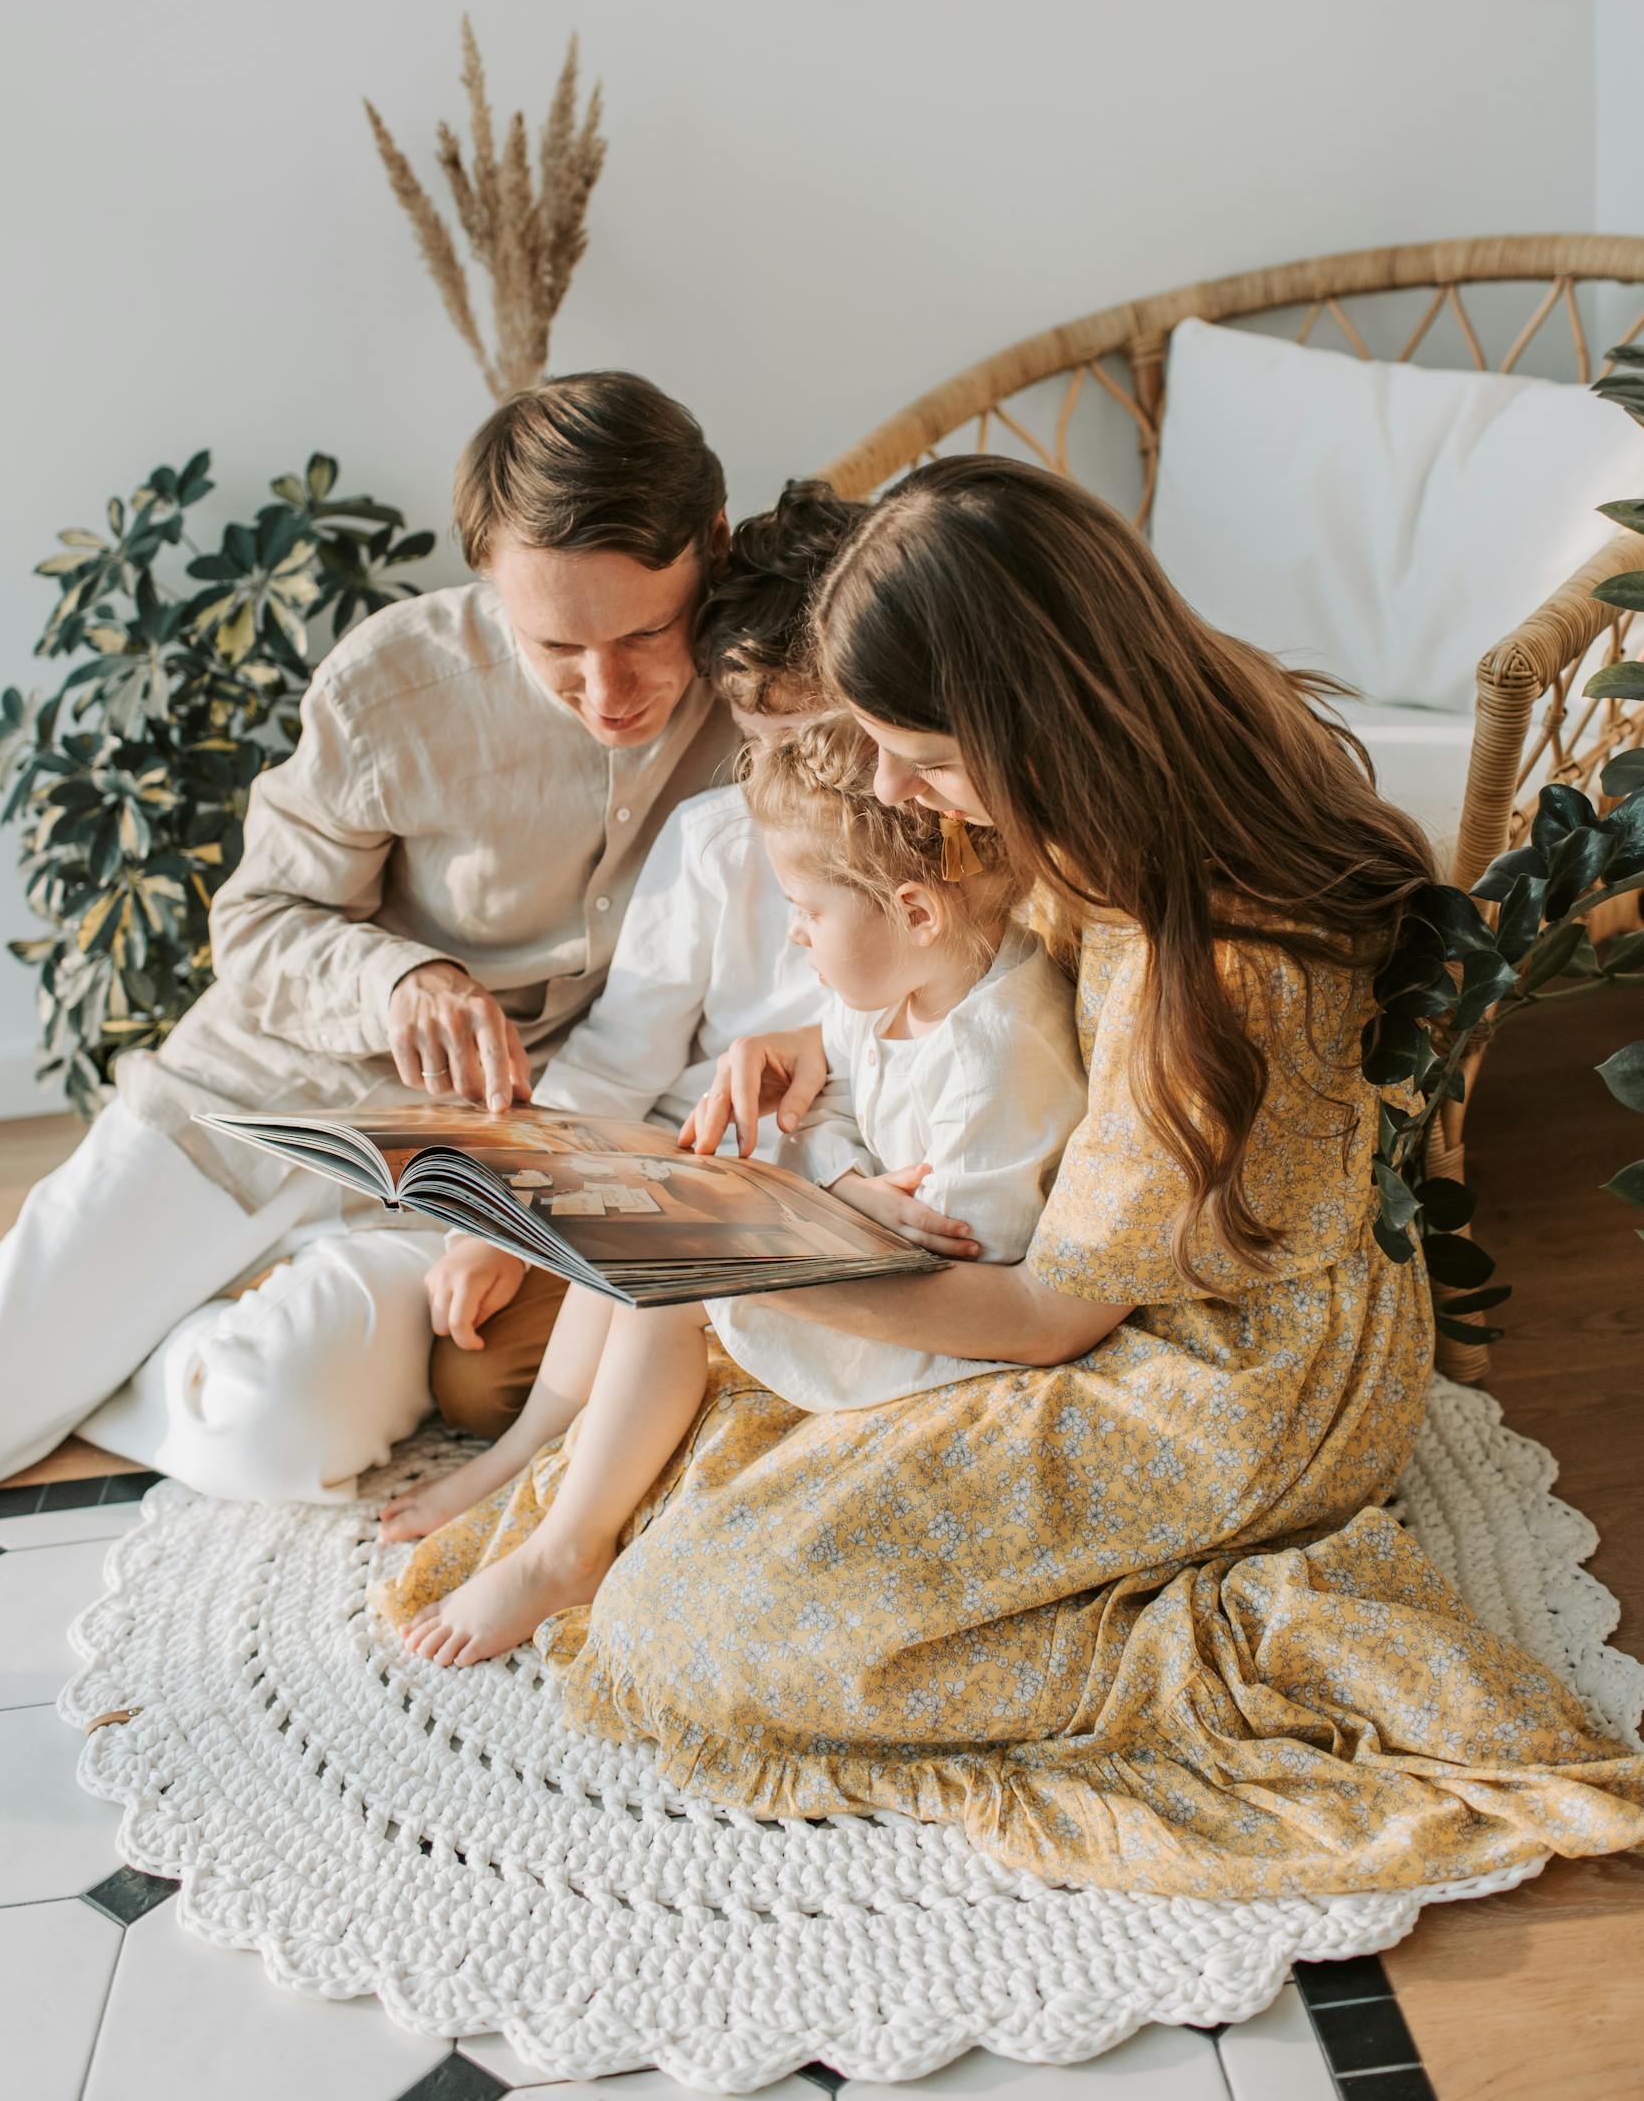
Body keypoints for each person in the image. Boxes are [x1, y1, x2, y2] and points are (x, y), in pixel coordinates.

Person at [389, 453, 1644, 1900]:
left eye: (915, 755)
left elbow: (1053, 1315)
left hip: (1213, 1382)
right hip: (1074, 1273)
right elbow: (999, 968)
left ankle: (1230, 1638)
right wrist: (822, 1036)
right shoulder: (1101, 797)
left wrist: (780, 1256)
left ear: (1023, 715)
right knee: (686, 1463)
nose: (887, 784)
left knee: (692, 1627)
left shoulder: (1229, 965)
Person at [0, 374, 736, 1500]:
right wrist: (401, 984)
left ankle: (128, 1335)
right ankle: (39, 1310)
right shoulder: (396, 684)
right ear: (490, 583)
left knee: (281, 1434)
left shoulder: (767, 683)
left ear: (713, 544)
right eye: (555, 644)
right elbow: (259, 924)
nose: (608, 690)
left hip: (471, 1169)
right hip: (268, 1101)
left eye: (648, 630)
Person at [372, 713, 1086, 1665]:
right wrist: (834, 1181)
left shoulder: (999, 1052)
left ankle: (565, 1550)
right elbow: (825, 1101)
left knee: (676, 1285)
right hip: (875, 1255)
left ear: (916, 912)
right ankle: (528, 1457)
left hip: (943, 1340)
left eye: (808, 911)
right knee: (653, 1203)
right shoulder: (898, 990)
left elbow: (974, 1250)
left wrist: (814, 1224)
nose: (794, 937)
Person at [422, 479, 873, 1435]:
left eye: (819, 740)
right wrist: (508, 1211)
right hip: (681, 1166)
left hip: (830, 1189)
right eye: (763, 744)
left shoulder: (940, 836)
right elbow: (620, 1056)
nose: (792, 781)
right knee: (475, 1383)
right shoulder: (715, 842)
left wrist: (826, 1045)